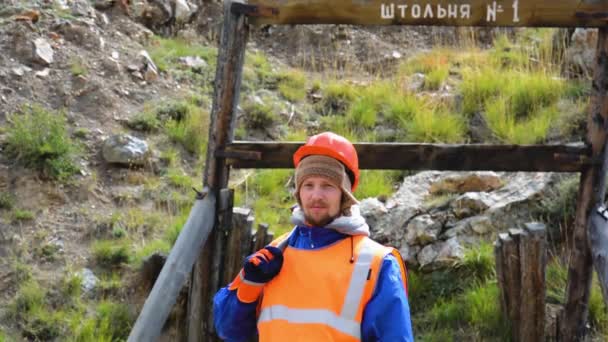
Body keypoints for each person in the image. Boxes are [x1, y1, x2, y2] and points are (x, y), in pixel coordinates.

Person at [213, 132, 414, 341]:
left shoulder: (378, 262)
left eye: (327, 186)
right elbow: (228, 330)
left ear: (344, 196)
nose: (316, 196)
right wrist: (248, 286)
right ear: (299, 193)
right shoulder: (275, 253)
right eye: (308, 185)